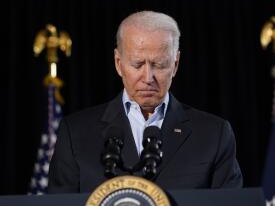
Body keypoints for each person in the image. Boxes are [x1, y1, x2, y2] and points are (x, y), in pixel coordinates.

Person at [48, 10, 242, 193]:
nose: (148, 77)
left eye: (159, 64)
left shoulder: (214, 135)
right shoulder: (75, 133)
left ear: (175, 64)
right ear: (119, 63)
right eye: (137, 64)